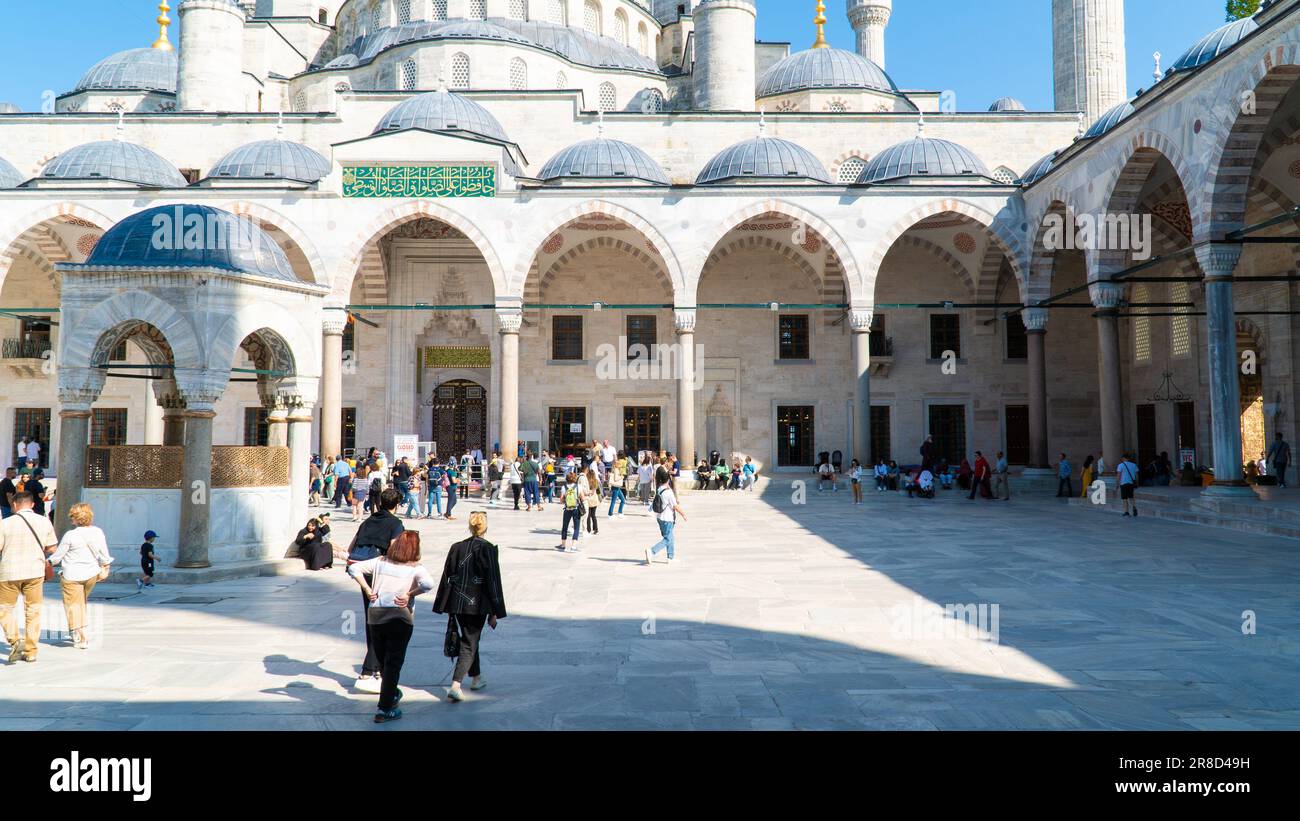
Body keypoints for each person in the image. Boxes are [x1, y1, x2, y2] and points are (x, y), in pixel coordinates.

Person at [348, 531, 435, 723]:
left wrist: (367, 588)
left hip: (376, 615)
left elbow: (354, 569)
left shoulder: (380, 561)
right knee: (393, 662)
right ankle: (385, 708)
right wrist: (410, 594)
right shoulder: (415, 568)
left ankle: (391, 693)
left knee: (382, 658)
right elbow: (428, 584)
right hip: (399, 618)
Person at [433, 511, 507, 703]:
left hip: (457, 602)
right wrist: (495, 610)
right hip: (477, 604)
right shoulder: (488, 549)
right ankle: (456, 685)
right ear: (486, 527)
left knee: (470, 638)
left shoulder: (456, 547)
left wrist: (444, 602)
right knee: (469, 641)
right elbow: (492, 581)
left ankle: (476, 677)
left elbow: (447, 575)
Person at [345, 488, 405, 694]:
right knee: (383, 622)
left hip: (362, 573)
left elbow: (351, 547)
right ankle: (368, 670)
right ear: (396, 505)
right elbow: (394, 551)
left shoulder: (367, 521)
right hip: (380, 573)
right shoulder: (395, 524)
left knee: (372, 617)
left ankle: (376, 668)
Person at [0, 491, 57, 663]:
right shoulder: (44, 521)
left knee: (4, 608)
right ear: (32, 504)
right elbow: (52, 548)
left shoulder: (5, 523)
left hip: (10, 571)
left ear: (15, 505)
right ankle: (31, 651)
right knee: (33, 611)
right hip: (35, 571)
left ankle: (15, 639)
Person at [48, 503, 113, 650]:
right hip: (91, 574)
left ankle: (81, 635)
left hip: (72, 575)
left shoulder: (71, 535)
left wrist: (46, 562)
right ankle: (78, 630)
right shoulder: (98, 532)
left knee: (73, 605)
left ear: (75, 518)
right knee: (81, 603)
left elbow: (57, 557)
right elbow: (104, 554)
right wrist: (106, 567)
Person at [645, 466, 686, 565]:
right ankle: (652, 551)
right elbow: (675, 506)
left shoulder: (659, 489)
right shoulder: (668, 492)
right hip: (667, 518)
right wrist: (684, 514)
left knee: (670, 537)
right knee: (668, 539)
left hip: (660, 517)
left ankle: (670, 557)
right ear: (668, 479)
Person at [558, 472, 583, 552]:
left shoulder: (563, 487)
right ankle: (573, 546)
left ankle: (563, 544)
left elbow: (561, 500)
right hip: (576, 509)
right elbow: (582, 498)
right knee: (576, 527)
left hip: (567, 509)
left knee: (565, 527)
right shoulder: (578, 487)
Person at [1118, 453, 1140, 517]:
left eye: (1122, 458)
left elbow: (1118, 475)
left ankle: (1126, 511)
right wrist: (1137, 483)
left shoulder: (1120, 465)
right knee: (1131, 496)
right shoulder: (1134, 465)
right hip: (1131, 483)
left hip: (1123, 483)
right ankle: (1134, 507)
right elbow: (1137, 475)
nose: (1122, 459)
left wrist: (1117, 483)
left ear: (1124, 458)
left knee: (1124, 498)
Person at [582, 467, 601, 535]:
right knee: (593, 515)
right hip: (594, 499)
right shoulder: (596, 481)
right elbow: (598, 491)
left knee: (588, 515)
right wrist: (600, 499)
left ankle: (588, 529)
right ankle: (596, 529)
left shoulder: (587, 481)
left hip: (588, 499)